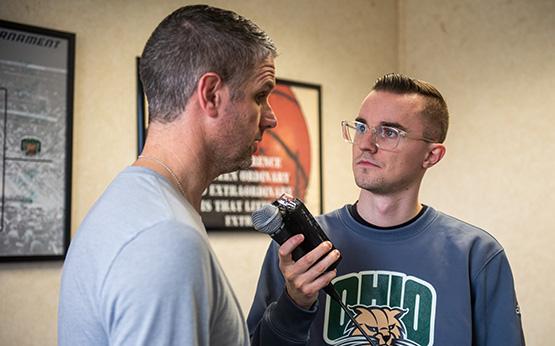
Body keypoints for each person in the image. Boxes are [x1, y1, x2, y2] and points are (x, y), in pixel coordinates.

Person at [248, 73, 525, 345]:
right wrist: (295, 303)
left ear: (432, 155)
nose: (366, 145)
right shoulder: (298, 248)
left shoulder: (476, 255)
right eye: (360, 127)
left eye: (389, 132)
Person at [58, 5, 277, 345]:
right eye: (260, 96)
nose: (270, 118)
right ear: (211, 96)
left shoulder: (133, 207)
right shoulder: (164, 239)